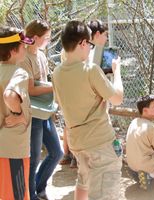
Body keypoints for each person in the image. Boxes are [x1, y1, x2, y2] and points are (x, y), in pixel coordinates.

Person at [52, 20, 124, 200]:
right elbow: (117, 99)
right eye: (89, 44)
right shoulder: (90, 70)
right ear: (83, 43)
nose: (90, 49)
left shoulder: (57, 73)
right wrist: (117, 73)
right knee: (106, 193)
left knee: (84, 181)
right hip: (99, 143)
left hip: (78, 143)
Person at [19, 19, 63, 200]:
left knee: (57, 153)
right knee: (34, 157)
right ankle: (30, 195)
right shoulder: (24, 58)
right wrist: (57, 86)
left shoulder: (42, 55)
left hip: (44, 112)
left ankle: (38, 187)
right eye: (46, 37)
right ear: (35, 38)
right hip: (32, 113)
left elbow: (42, 85)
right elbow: (31, 89)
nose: (49, 40)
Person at [0, 26, 35, 200]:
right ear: (13, 50)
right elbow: (9, 95)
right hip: (13, 149)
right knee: (17, 195)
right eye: (23, 46)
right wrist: (18, 113)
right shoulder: (19, 73)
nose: (26, 49)